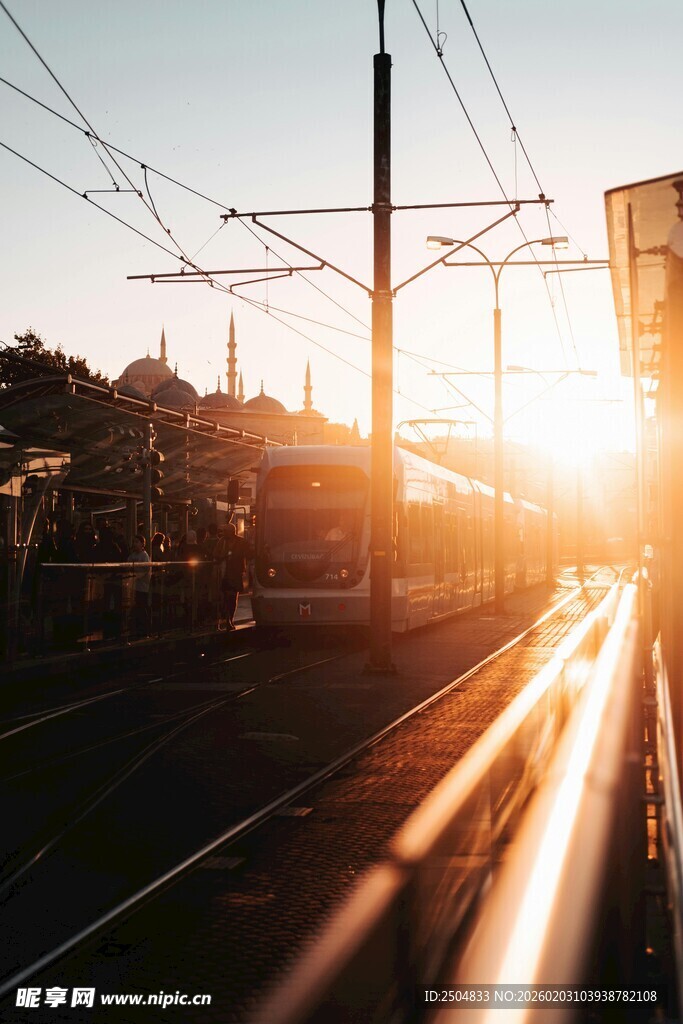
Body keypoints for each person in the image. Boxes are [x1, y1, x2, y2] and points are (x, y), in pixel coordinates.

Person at [214, 521, 249, 630]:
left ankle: (231, 619)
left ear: (232, 532)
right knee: (225, 598)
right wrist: (223, 556)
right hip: (225, 574)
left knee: (233, 598)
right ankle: (227, 620)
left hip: (236, 572)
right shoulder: (221, 542)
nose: (223, 533)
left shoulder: (241, 541)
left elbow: (247, 553)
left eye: (225, 531)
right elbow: (215, 554)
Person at [127, 533, 150, 637]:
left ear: (142, 544)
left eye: (137, 542)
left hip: (142, 586)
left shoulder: (144, 556)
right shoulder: (132, 556)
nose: (135, 544)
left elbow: (145, 570)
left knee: (141, 606)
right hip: (133, 586)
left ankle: (144, 628)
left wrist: (135, 576)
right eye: (134, 542)